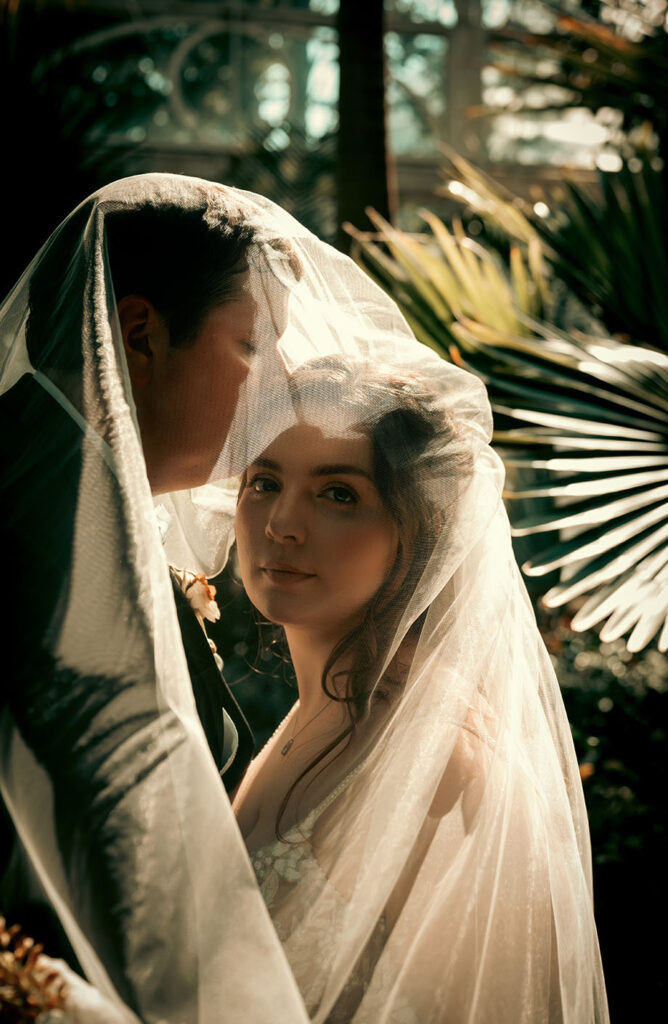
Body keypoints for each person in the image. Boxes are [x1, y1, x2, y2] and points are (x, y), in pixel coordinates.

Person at [0, 173, 309, 1023]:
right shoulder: (47, 524)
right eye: (251, 346)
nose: (277, 388)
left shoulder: (83, 485)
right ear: (140, 333)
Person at [231, 355, 610, 1023]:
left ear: (413, 536)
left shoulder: (439, 763)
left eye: (338, 493)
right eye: (264, 481)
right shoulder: (316, 714)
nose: (281, 523)